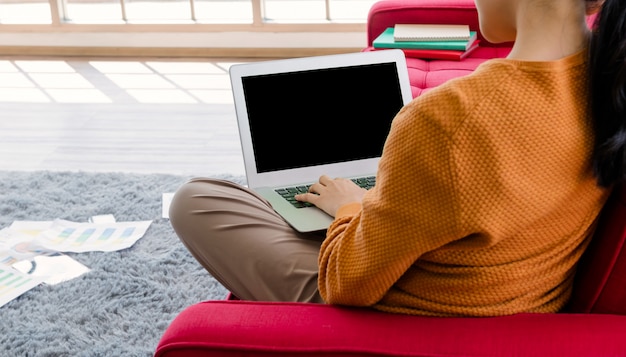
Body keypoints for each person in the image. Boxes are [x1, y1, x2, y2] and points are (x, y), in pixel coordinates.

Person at [169, 0, 626, 316]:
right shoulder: (608, 84)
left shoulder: (450, 118)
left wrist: (351, 207)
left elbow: (347, 283)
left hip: (402, 313)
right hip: (503, 286)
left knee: (196, 199)